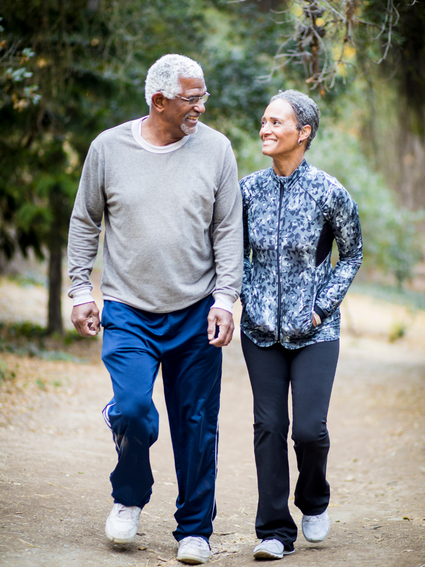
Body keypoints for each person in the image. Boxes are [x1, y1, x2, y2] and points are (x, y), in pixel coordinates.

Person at [67, 54, 243, 565]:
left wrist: (225, 298)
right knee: (135, 411)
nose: (202, 107)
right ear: (159, 100)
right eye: (193, 98)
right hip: (127, 309)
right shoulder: (108, 148)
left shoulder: (217, 150)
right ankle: (128, 495)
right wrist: (81, 290)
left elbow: (229, 231)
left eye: (203, 95)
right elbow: (85, 222)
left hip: (196, 309)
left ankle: (194, 530)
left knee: (196, 423)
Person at [239, 90, 363, 560]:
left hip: (315, 331)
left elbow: (352, 253)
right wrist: (245, 300)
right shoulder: (248, 190)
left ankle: (313, 500)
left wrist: (322, 307)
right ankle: (273, 530)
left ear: (303, 132)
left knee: (309, 430)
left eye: (276, 122)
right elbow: (232, 252)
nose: (265, 129)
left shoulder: (330, 192)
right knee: (268, 426)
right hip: (260, 332)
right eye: (264, 121)